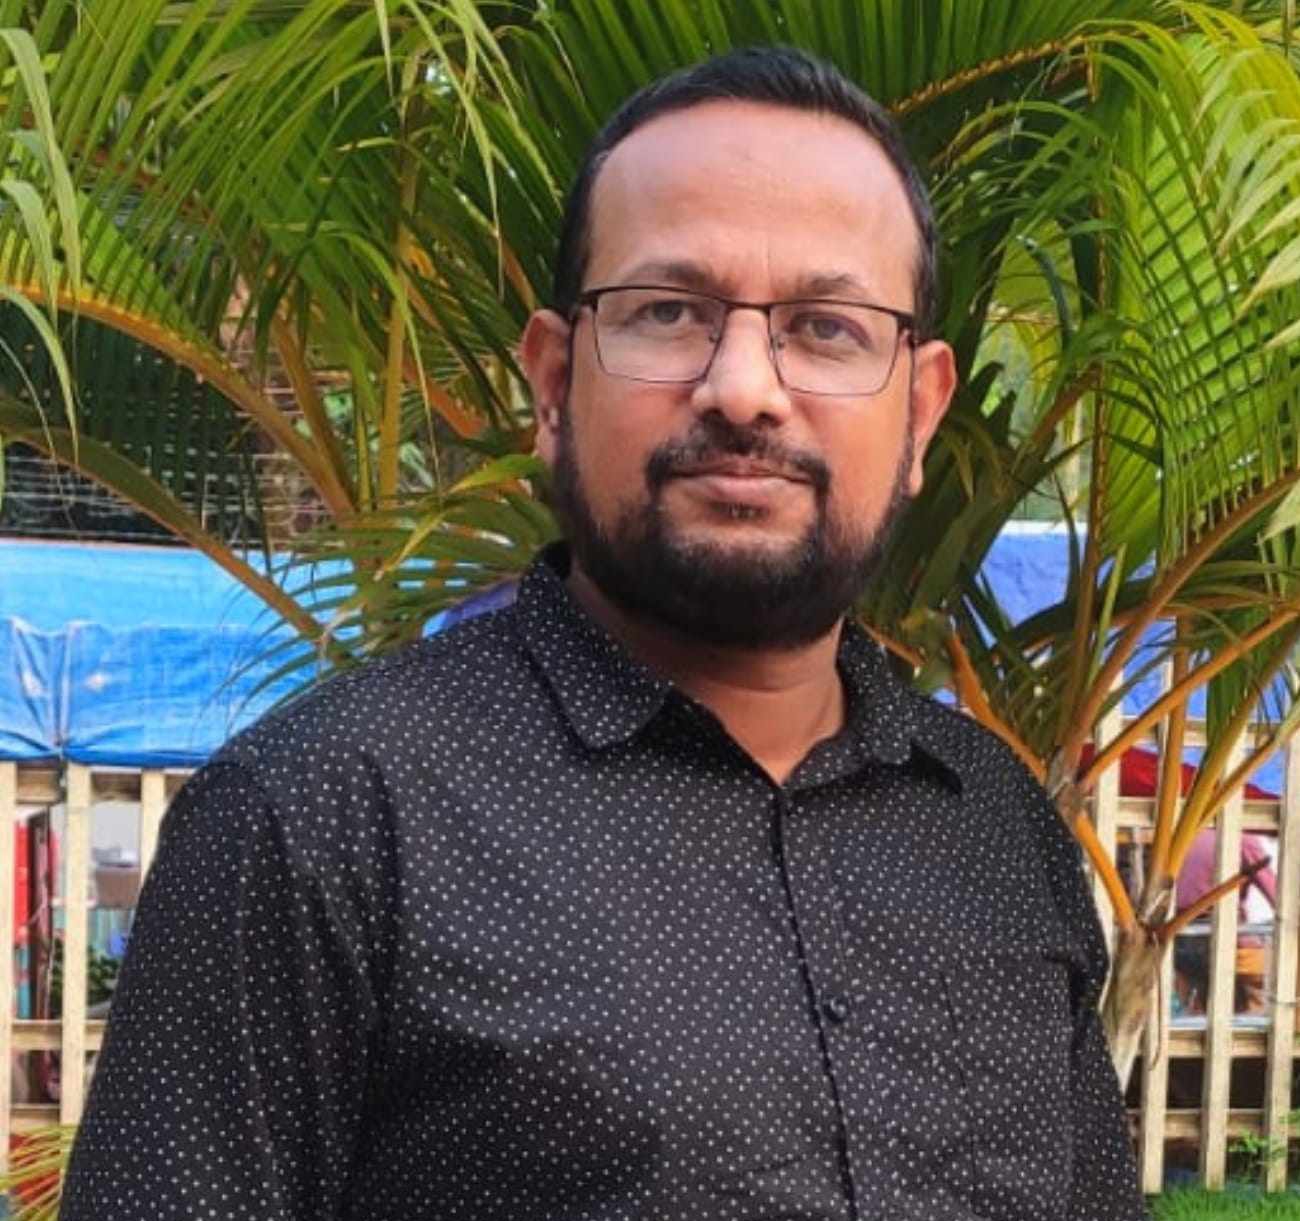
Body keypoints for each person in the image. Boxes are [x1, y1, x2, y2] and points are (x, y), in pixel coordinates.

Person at [62, 47, 1145, 1221]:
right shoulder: (319, 819)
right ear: (551, 382)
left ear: (920, 411)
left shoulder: (995, 830)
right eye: (668, 312)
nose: (744, 388)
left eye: (826, 328)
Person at [1173, 828, 1277, 1015]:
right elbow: (1278, 896)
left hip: (1179, 937)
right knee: (1262, 979)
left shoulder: (1189, 836)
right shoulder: (1242, 840)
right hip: (1220, 937)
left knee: (1196, 1008)